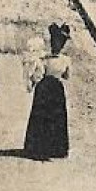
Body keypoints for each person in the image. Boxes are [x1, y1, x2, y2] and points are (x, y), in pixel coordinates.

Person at [23, 24, 72, 160]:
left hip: (48, 88)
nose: (57, 45)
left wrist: (34, 81)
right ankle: (50, 147)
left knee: (48, 116)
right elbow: (66, 76)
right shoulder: (63, 60)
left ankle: (45, 146)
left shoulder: (46, 59)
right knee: (50, 116)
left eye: (59, 43)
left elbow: (40, 75)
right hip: (53, 88)